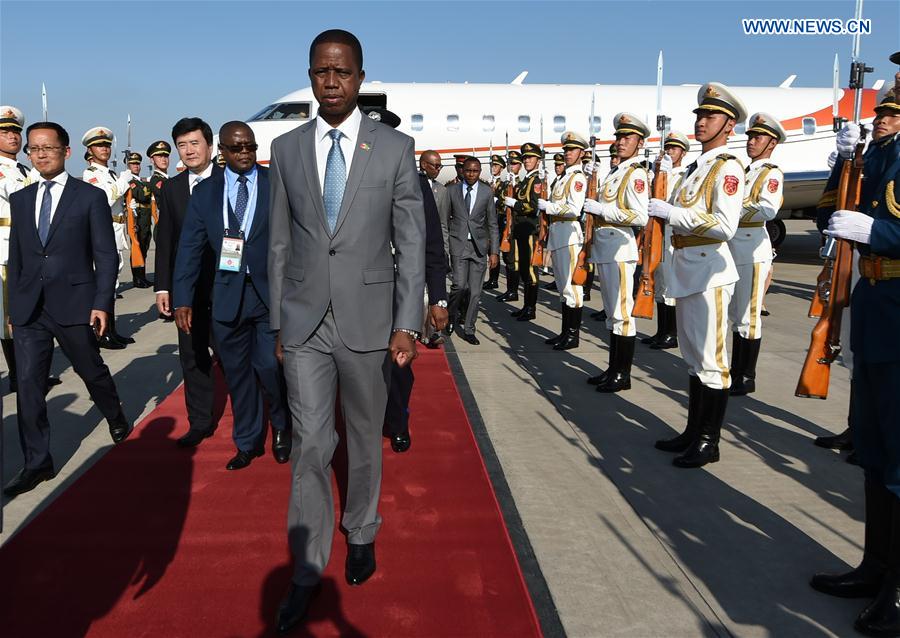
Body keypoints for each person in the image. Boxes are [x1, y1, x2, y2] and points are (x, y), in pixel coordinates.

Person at [268, 30, 425, 633]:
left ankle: (361, 530)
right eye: (320, 72)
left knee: (363, 436)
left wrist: (407, 321)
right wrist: (280, 321)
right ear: (311, 77)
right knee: (310, 444)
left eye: (342, 72)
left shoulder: (394, 148)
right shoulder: (285, 149)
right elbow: (279, 242)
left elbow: (409, 244)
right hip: (305, 321)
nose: (331, 82)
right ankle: (306, 569)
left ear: (360, 77)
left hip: (369, 320)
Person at [809, 82, 900, 635]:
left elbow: (877, 227)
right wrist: (844, 162)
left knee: (899, 461)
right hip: (874, 310)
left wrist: (882, 233)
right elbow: (832, 218)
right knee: (872, 448)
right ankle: (875, 567)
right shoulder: (882, 154)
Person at [2, 121, 130, 497]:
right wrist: (13, 305)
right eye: (33, 149)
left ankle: (115, 414)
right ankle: (37, 462)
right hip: (30, 310)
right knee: (27, 386)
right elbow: (18, 257)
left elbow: (105, 256)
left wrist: (102, 303)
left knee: (91, 369)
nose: (40, 155)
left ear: (66, 152)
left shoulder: (87, 197)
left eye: (48, 148)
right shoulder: (21, 200)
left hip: (75, 304)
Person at [173, 122, 291, 470]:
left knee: (269, 366)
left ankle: (282, 425)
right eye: (236, 148)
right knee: (238, 374)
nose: (244, 154)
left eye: (250, 147)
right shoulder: (206, 193)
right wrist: (183, 297)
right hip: (226, 297)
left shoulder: (275, 186)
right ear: (222, 151)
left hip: (269, 294)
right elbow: (189, 249)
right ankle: (248, 441)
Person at [650, 82, 746, 468]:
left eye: (711, 116)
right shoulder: (695, 168)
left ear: (729, 125)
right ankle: (693, 431)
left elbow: (725, 225)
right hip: (687, 268)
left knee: (712, 361)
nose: (702, 121)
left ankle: (709, 441)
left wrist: (672, 214)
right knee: (692, 357)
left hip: (710, 272)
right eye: (700, 115)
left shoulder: (728, 168)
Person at [376, 109, 448, 451]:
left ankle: (398, 421)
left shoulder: (419, 186)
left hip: (403, 290)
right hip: (362, 292)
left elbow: (433, 245)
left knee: (400, 362)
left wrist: (438, 298)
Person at [155, 117, 224, 447]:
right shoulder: (171, 189)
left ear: (210, 145)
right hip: (188, 293)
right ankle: (199, 422)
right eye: (182, 145)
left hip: (228, 288)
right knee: (193, 358)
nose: (189, 151)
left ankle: (261, 417)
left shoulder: (231, 180)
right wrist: (163, 287)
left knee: (238, 358)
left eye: (195, 143)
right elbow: (165, 240)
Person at [583, 113, 651, 392]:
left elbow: (639, 216)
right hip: (607, 248)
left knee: (623, 314)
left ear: (640, 143)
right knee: (612, 314)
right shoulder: (618, 171)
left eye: (628, 137)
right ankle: (612, 369)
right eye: (620, 137)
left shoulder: (635, 173)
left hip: (621, 250)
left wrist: (602, 210)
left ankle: (622, 374)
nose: (622, 142)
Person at [0, 106, 61, 393]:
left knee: (38, 309)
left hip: (36, 248)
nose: (12, 136)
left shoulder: (26, 168)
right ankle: (18, 375)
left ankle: (33, 370)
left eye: (15, 131)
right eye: (4, 132)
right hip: (5, 250)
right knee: (10, 317)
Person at [727, 113, 785, 395]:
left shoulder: (770, 173)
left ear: (771, 143)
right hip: (733, 246)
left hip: (752, 249)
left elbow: (769, 208)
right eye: (750, 136)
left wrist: (732, 212)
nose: (751, 141)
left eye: (758, 137)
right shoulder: (745, 170)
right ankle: (735, 370)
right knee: (735, 314)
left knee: (748, 316)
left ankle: (745, 376)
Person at [82, 126, 135, 349]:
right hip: (103, 230)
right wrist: (124, 181)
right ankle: (101, 332)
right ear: (90, 150)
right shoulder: (90, 175)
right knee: (104, 283)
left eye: (106, 145)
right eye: (99, 145)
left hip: (117, 229)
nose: (104, 148)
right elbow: (106, 197)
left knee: (112, 283)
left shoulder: (110, 174)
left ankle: (111, 330)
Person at [538, 133, 587, 350]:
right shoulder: (564, 177)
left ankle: (572, 335)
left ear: (581, 154)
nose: (567, 153)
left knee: (572, 289)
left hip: (569, 235)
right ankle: (565, 332)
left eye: (572, 150)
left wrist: (549, 207)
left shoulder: (577, 178)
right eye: (566, 150)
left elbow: (574, 209)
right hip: (559, 234)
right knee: (562, 288)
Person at [643, 130, 690, 350]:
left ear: (683, 152)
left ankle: (671, 334)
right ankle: (661, 331)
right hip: (658, 234)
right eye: (668, 147)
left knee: (670, 285)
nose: (670, 151)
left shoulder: (685, 176)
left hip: (672, 233)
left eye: (675, 148)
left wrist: (667, 177)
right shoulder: (660, 173)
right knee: (660, 284)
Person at [447, 156, 499, 345]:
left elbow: (493, 223)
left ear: (479, 171)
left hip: (479, 248)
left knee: (475, 292)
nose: (471, 174)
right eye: (468, 170)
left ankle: (469, 329)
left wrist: (494, 252)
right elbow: (445, 221)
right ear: (462, 171)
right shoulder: (451, 191)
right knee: (459, 286)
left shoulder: (486, 192)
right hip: (458, 245)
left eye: (475, 171)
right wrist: (446, 247)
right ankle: (451, 317)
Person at [502, 143, 542, 320]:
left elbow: (534, 207)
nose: (526, 160)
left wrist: (515, 204)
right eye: (525, 158)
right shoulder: (526, 180)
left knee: (531, 271)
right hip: (521, 230)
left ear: (538, 161)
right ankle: (526, 306)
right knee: (525, 270)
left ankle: (531, 308)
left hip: (529, 230)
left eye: (530, 158)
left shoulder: (536, 181)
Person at [124, 152, 154, 288]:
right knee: (137, 248)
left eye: (137, 164)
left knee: (144, 247)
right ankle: (137, 278)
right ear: (128, 165)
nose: (136, 166)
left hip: (146, 217)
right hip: (138, 218)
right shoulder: (131, 182)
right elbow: (142, 195)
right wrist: (149, 188)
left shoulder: (140, 181)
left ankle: (142, 276)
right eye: (133, 164)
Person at [496, 150, 522, 302]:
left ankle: (513, 291)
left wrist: (515, 186)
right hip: (504, 224)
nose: (511, 167)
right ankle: (509, 290)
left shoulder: (521, 184)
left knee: (513, 260)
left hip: (515, 226)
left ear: (519, 166)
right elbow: (499, 201)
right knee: (506, 258)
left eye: (514, 164)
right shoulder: (505, 184)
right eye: (509, 164)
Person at [419, 150, 450, 259]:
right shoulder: (410, 185)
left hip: (434, 248)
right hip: (413, 246)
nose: (438, 170)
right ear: (424, 165)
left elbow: (443, 223)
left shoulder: (441, 190)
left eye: (440, 166)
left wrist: (445, 250)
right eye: (436, 166)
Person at [484, 153, 507, 290]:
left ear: (502, 168)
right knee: (488, 251)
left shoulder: (503, 185)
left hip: (497, 221)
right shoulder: (487, 183)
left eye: (496, 166)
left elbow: (504, 203)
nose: (493, 168)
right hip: (486, 222)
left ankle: (494, 279)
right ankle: (491, 278)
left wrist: (496, 200)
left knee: (495, 251)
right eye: (492, 165)